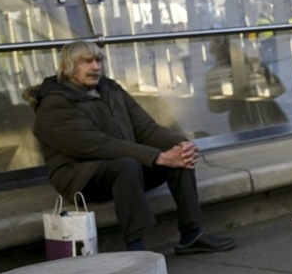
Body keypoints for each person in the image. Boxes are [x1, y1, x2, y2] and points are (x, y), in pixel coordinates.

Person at [29, 40, 235, 254]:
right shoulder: (54, 103)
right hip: (80, 176)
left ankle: (192, 233)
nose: (96, 67)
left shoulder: (110, 89)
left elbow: (145, 128)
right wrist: (157, 157)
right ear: (68, 66)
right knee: (126, 166)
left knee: (178, 154)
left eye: (99, 60)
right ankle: (135, 246)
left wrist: (180, 143)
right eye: (87, 61)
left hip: (126, 162)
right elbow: (95, 145)